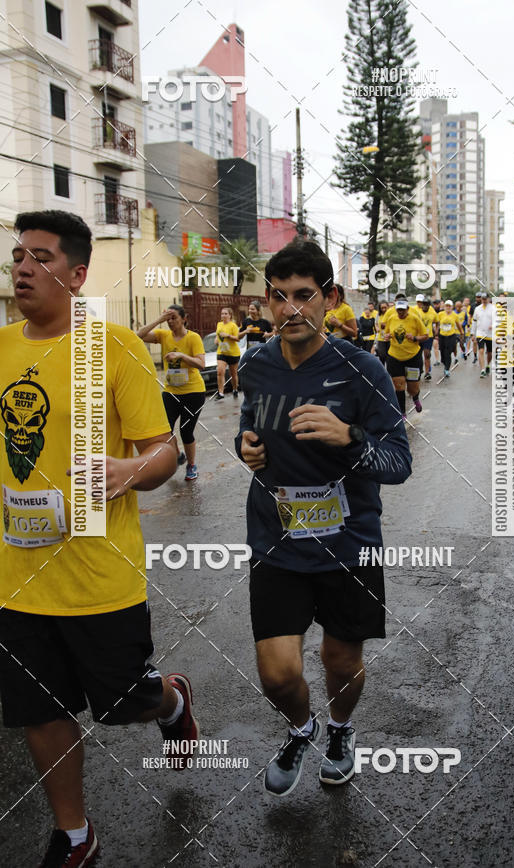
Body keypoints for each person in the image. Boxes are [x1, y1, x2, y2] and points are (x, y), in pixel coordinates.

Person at [0, 210, 200, 868]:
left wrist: (127, 471)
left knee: (121, 703)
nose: (23, 267)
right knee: (39, 709)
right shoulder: (0, 348)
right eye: (18, 255)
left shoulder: (113, 347)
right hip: (17, 579)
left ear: (77, 274)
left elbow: (164, 452)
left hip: (98, 574)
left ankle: (170, 700)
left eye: (41, 257)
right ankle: (75, 835)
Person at [235, 240, 411, 797]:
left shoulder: (363, 370)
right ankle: (300, 727)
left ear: (329, 299)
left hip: (349, 543)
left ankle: (339, 728)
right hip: (277, 539)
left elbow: (399, 462)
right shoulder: (255, 364)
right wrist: (247, 448)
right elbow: (249, 426)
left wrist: (349, 437)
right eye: (278, 296)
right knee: (277, 673)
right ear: (267, 301)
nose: (290, 309)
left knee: (341, 659)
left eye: (304, 296)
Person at [137, 305, 206, 481]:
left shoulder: (193, 338)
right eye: (167, 318)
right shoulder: (164, 335)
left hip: (193, 392)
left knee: (186, 431)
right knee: (164, 429)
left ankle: (191, 465)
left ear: (184, 319)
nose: (170, 321)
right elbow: (138, 335)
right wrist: (158, 320)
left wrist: (181, 356)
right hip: (171, 392)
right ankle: (178, 455)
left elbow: (201, 364)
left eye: (173, 317)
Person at [384, 295, 428, 419]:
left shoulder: (414, 319)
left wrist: (414, 338)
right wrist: (387, 336)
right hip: (395, 356)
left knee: (412, 388)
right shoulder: (391, 318)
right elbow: (386, 333)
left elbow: (425, 335)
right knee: (399, 385)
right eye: (399, 310)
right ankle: (402, 412)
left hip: (412, 357)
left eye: (403, 310)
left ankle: (415, 397)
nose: (401, 312)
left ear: (407, 309)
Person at [434, 300, 464, 379]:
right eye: (446, 306)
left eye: (449, 306)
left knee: (448, 352)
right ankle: (445, 363)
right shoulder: (440, 314)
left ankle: (447, 369)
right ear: (444, 307)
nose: (448, 307)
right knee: (442, 353)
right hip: (442, 336)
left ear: (452, 307)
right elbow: (437, 323)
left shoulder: (455, 315)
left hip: (451, 336)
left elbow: (458, 325)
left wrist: (461, 333)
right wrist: (436, 332)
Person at [216, 306, 240, 400]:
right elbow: (218, 334)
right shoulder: (219, 324)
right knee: (220, 371)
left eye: (226, 313)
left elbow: (237, 338)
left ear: (230, 315)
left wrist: (228, 335)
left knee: (233, 374)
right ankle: (221, 393)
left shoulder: (233, 325)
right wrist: (216, 339)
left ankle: (235, 389)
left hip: (233, 353)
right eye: (222, 313)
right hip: (221, 352)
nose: (223, 315)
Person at [471, 292, 494, 377]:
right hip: (480, 333)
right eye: (483, 299)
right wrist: (472, 333)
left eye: (485, 299)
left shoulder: (493, 308)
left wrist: (493, 325)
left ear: (488, 299)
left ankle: (488, 365)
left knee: (489, 353)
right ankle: (482, 369)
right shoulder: (477, 309)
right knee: (481, 350)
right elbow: (474, 321)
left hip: (490, 334)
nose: (484, 300)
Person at [417, 296, 436, 380]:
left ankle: (427, 372)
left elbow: (437, 321)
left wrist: (436, 331)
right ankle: (419, 370)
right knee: (418, 355)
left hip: (429, 336)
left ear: (429, 305)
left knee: (427, 354)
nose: (425, 306)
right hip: (419, 336)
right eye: (423, 304)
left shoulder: (432, 312)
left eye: (427, 304)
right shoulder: (418, 312)